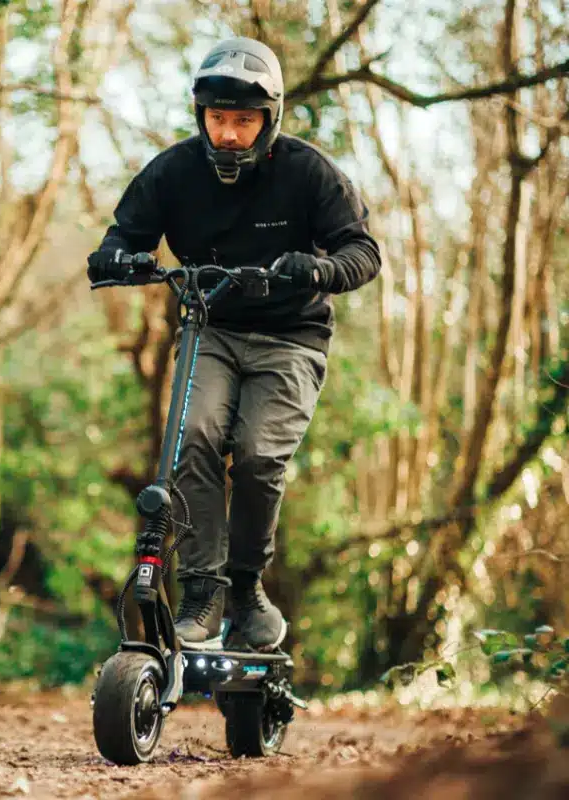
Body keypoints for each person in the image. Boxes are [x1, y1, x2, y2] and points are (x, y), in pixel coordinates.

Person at [87, 37, 381, 652]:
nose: (227, 134)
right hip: (210, 331)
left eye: (243, 122)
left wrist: (321, 269)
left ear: (268, 120)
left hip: (290, 340)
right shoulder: (174, 171)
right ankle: (201, 591)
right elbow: (124, 234)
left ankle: (246, 587)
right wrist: (117, 258)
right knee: (191, 441)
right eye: (217, 119)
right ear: (202, 116)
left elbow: (362, 251)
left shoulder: (308, 172)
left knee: (255, 455)